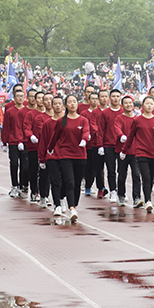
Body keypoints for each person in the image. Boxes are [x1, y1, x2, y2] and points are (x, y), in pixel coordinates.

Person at [45, 94, 90, 223]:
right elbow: (55, 136)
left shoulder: (83, 120)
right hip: (65, 155)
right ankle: (72, 209)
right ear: (66, 105)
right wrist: (50, 148)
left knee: (77, 183)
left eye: (74, 101)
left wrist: (84, 140)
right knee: (69, 182)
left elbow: (86, 131)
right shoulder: (61, 121)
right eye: (69, 102)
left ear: (77, 104)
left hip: (80, 155)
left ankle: (74, 205)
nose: (72, 104)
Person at [122, 95, 154, 213]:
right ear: (142, 105)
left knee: (151, 178)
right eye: (147, 103)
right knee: (146, 177)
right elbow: (130, 136)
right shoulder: (137, 120)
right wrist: (124, 151)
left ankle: (147, 197)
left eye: (151, 103)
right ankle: (148, 201)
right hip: (141, 153)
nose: (149, 106)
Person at [97, 89, 123, 203]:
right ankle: (113, 191)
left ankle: (121, 192)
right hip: (109, 145)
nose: (115, 98)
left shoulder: (124, 111)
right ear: (109, 98)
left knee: (122, 170)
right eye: (113, 96)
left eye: (117, 96)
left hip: (122, 145)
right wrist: (100, 145)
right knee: (111, 170)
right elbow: (101, 130)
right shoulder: (105, 113)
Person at [115, 95, 139, 207]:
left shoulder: (137, 119)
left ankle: (137, 198)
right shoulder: (119, 118)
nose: (128, 105)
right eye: (126, 103)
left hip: (135, 151)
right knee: (122, 175)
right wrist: (121, 135)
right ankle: (121, 195)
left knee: (136, 175)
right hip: (122, 152)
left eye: (130, 103)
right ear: (122, 105)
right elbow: (117, 128)